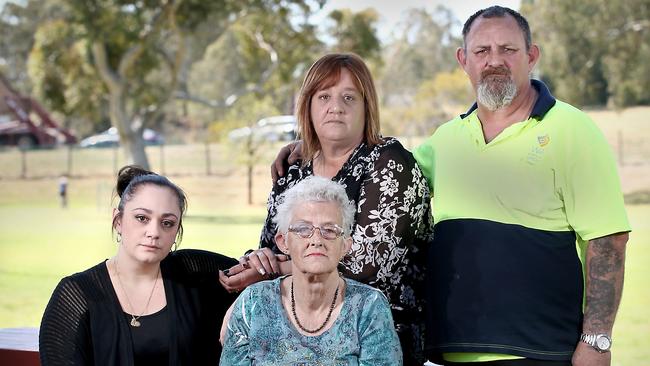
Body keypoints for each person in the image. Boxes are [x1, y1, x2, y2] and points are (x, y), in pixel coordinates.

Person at [271, 7, 630, 366]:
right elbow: (374, 172)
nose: (494, 61)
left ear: (531, 56)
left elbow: (608, 240)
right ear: (464, 60)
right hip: (449, 351)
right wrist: (316, 144)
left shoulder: (573, 130)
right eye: (481, 51)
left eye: (508, 49)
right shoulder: (444, 141)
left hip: (541, 351)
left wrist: (597, 342)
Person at [220, 52, 433, 365]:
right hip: (294, 335)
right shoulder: (292, 171)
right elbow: (274, 245)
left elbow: (366, 266)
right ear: (308, 105)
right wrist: (255, 267)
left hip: (376, 335)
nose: (336, 107)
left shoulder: (390, 162)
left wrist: (275, 268)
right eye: (324, 96)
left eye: (349, 97)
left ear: (366, 107)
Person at [39, 165, 238, 365]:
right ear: (118, 220)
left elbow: (259, 276)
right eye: (142, 218)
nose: (154, 232)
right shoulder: (78, 295)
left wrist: (244, 295)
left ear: (177, 231)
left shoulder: (197, 273)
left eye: (167, 223)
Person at [220, 176, 403, 365]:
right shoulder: (253, 302)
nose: (316, 240)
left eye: (330, 230)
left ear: (345, 246)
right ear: (283, 242)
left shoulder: (369, 305)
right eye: (302, 229)